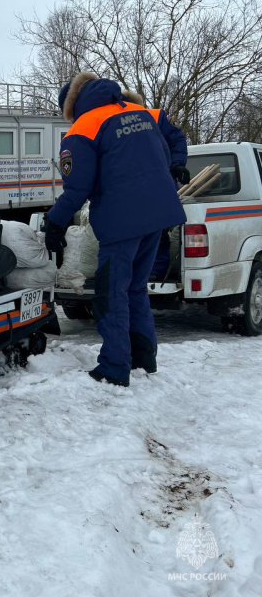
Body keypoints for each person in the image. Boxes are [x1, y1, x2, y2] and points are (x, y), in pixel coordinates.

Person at [44, 72, 186, 387]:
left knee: (111, 293)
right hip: (159, 214)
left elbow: (77, 188)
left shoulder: (82, 129)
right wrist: (176, 164)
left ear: (71, 106)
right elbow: (176, 135)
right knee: (135, 288)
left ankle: (114, 367)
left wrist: (55, 222)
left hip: (122, 220)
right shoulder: (142, 113)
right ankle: (143, 358)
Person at [122, 89, 190, 280]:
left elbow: (176, 139)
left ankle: (154, 270)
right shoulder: (112, 121)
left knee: (155, 228)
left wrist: (177, 164)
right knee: (143, 229)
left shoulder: (153, 116)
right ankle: (147, 269)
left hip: (155, 184)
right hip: (134, 185)